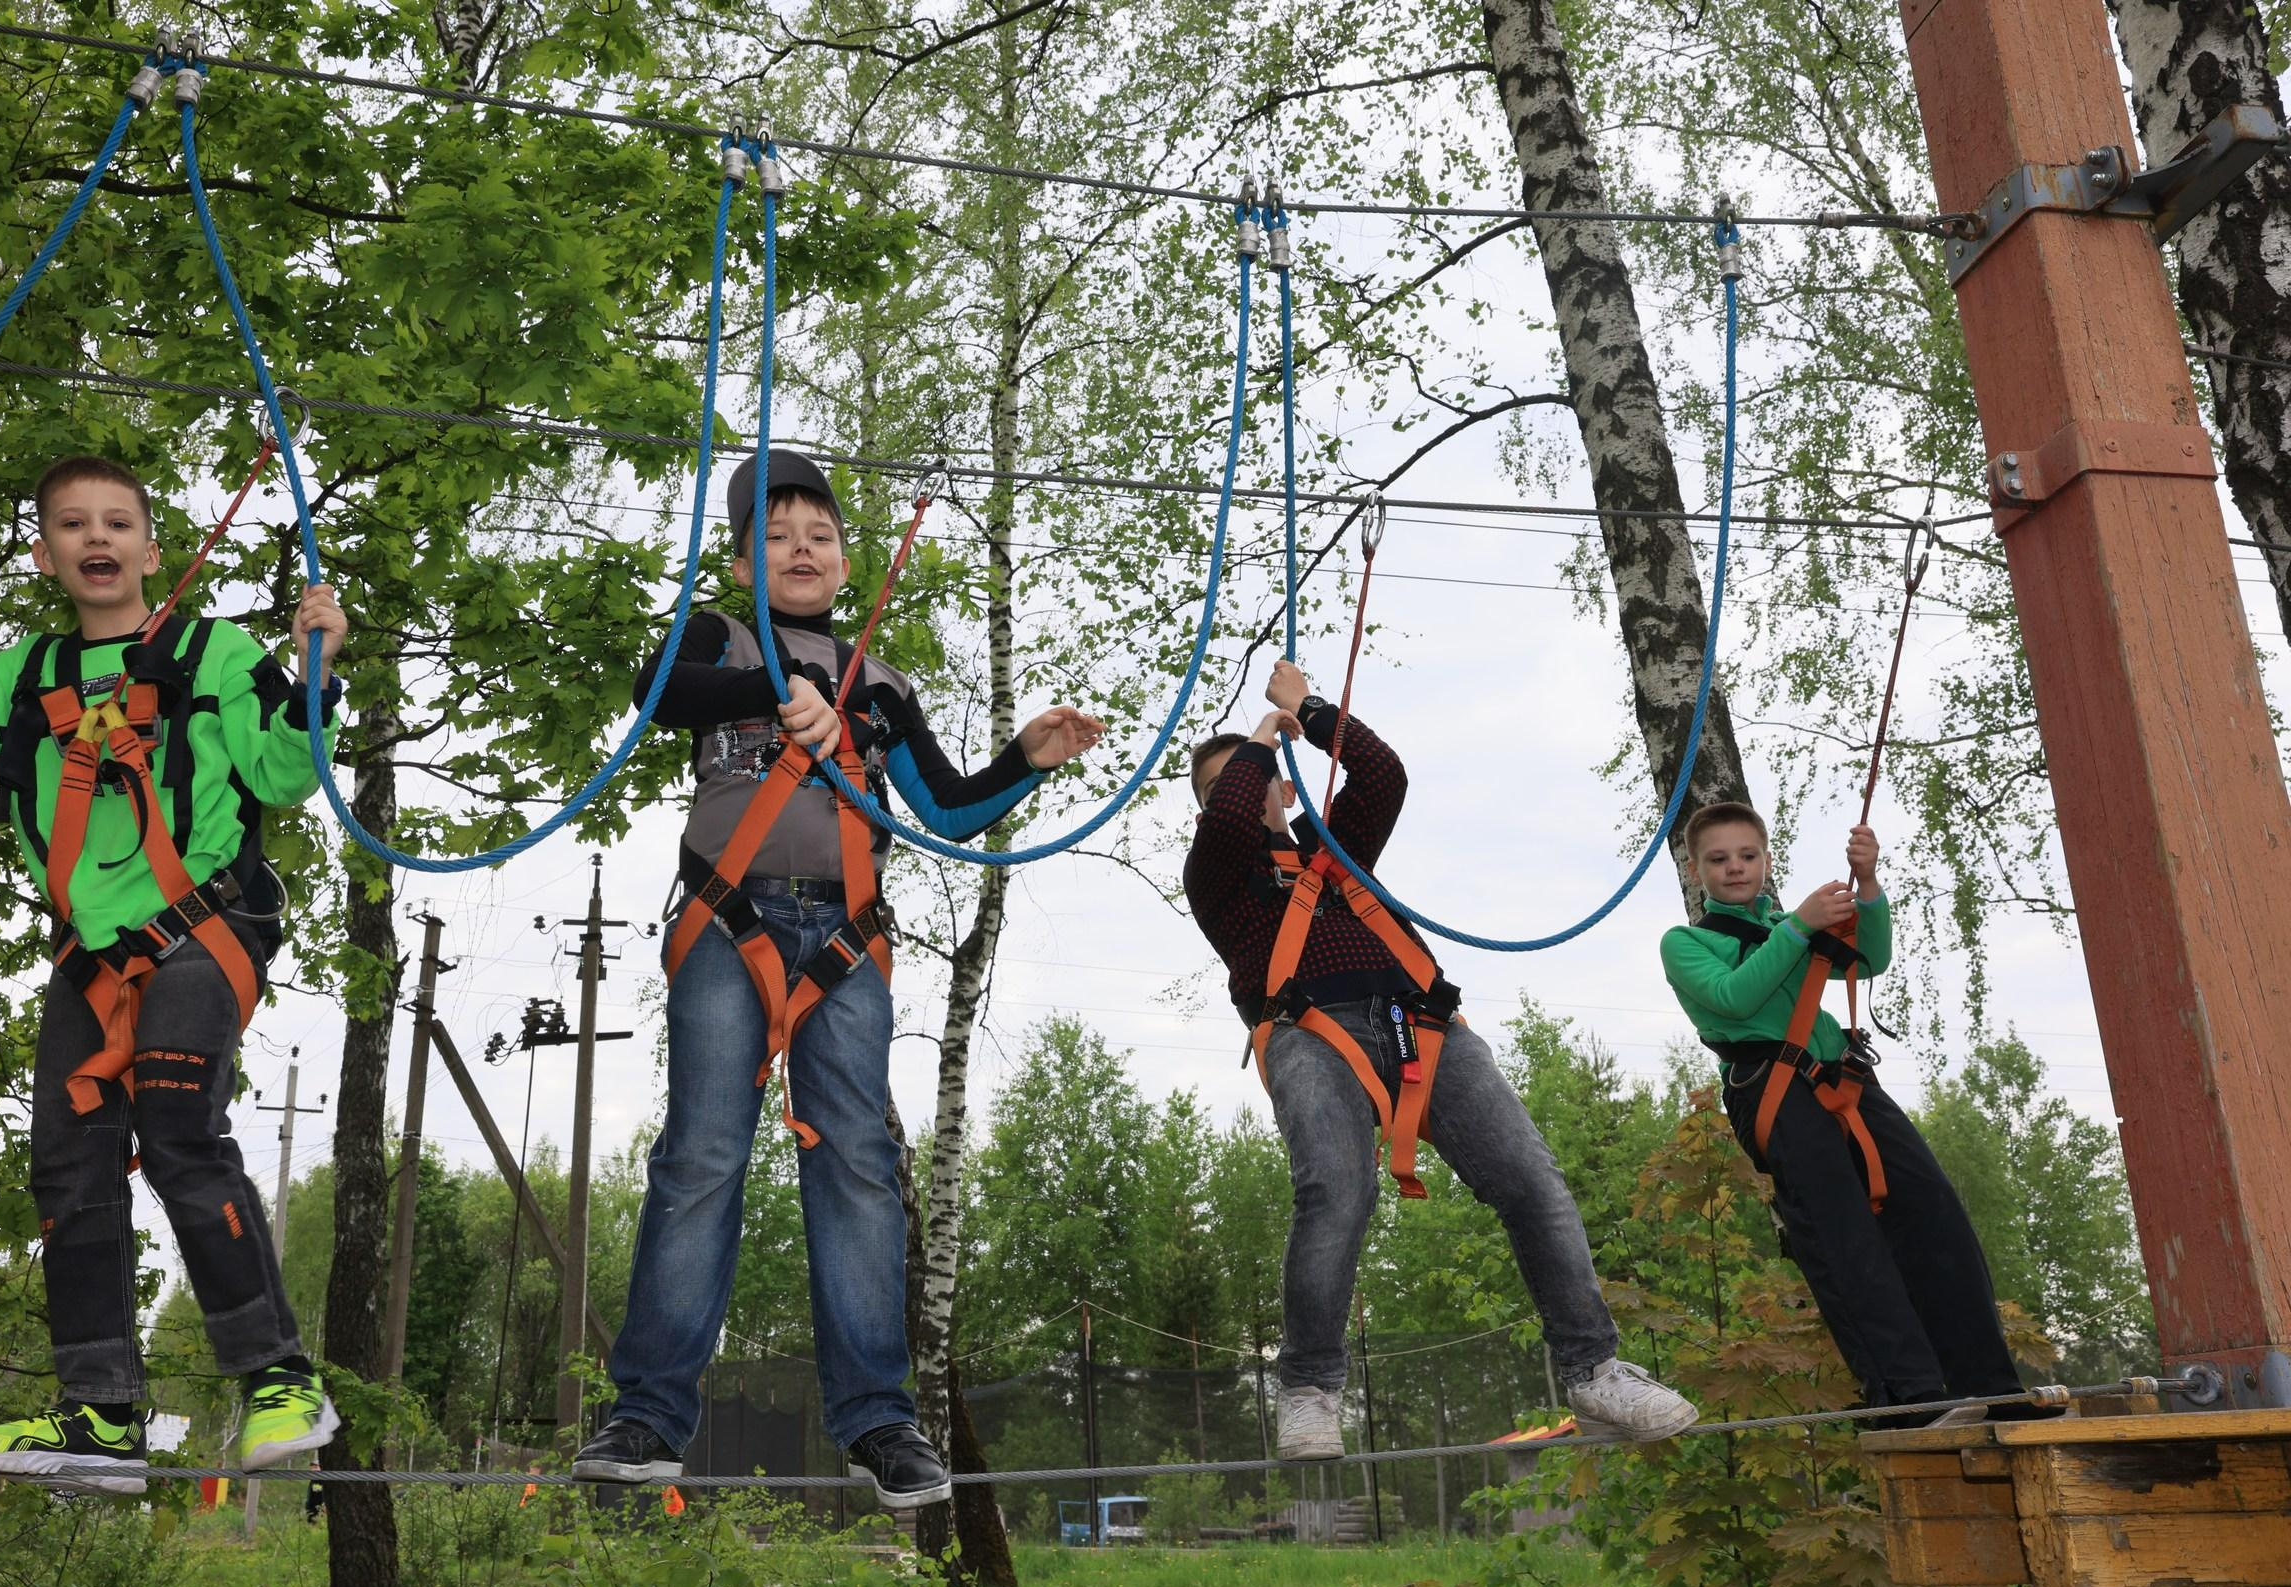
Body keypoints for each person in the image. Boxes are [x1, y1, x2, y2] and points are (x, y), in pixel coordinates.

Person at [0, 456, 348, 1494]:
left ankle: (279, 1379)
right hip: (93, 956)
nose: (97, 538)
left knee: (177, 1125)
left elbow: (282, 773)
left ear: (151, 548)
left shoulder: (213, 654)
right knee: (67, 1159)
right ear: (46, 556)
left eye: (117, 523)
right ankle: (101, 1414)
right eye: (73, 525)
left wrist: (315, 672)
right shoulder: (26, 678)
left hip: (204, 925)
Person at [573, 451, 1105, 1507]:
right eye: (775, 538)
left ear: (848, 562)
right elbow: (659, 693)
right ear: (740, 567)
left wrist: (1023, 761)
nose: (801, 550)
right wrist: (785, 690)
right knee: (703, 1153)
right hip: (728, 920)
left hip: (844, 935)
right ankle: (648, 1413)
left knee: (859, 1160)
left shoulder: (884, 685)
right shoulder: (719, 638)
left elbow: (945, 811)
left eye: (819, 535)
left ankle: (879, 1419)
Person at [1184, 660, 1698, 1459]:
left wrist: (1307, 712)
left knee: (1531, 1180)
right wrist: (1259, 738)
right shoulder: (1217, 875)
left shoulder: (1336, 849)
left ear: (1285, 789)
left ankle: (1594, 1371)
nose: (1242, 794)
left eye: (1253, 782)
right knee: (1336, 1191)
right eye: (1223, 789)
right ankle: (1310, 1388)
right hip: (1308, 1030)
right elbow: (1225, 823)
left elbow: (1383, 774)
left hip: (1420, 1023)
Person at [1663, 801, 2038, 1424]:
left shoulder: (1790, 925)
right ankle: (1909, 1396)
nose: (1735, 868)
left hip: (1843, 1077)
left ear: (1766, 860)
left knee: (1934, 1211)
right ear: (1695, 870)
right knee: (1843, 1235)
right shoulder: (1688, 943)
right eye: (1719, 859)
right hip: (1773, 1088)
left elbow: (1869, 959)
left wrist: (1867, 886)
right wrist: (1798, 928)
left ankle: (1991, 1386)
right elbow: (1734, 997)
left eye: (1747, 855)